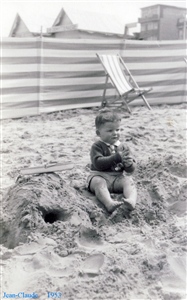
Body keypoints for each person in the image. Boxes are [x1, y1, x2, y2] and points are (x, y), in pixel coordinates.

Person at [87, 108, 137, 213]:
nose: (115, 133)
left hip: (117, 178)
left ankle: (131, 200)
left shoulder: (123, 147)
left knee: (129, 181)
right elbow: (98, 163)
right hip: (100, 175)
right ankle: (109, 203)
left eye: (117, 130)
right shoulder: (97, 146)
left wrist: (129, 165)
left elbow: (130, 170)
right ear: (98, 133)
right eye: (110, 131)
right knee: (98, 183)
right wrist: (116, 158)